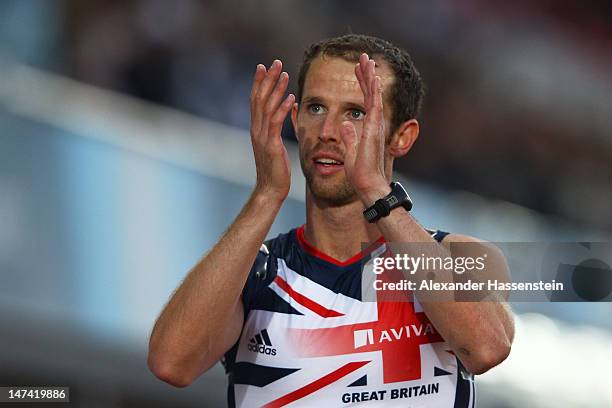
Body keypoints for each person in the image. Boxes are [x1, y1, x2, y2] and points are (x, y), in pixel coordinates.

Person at [147, 34, 514, 407]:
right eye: (316, 108)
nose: (327, 133)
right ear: (295, 119)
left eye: (356, 113)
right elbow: (171, 364)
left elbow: (485, 348)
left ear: (402, 137)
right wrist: (265, 195)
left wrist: (375, 191)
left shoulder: (458, 255)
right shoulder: (255, 273)